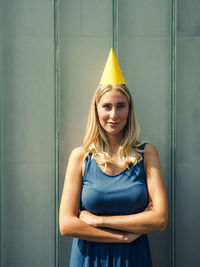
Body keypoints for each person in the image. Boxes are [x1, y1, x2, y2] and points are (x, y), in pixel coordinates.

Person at [59, 48, 168, 266]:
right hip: (89, 259)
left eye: (121, 106)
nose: (113, 115)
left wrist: (98, 220)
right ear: (96, 109)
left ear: (129, 110)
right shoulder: (80, 157)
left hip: (133, 259)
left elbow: (160, 218)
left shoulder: (146, 154)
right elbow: (67, 225)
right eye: (107, 106)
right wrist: (123, 237)